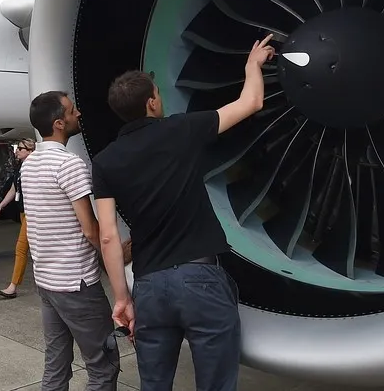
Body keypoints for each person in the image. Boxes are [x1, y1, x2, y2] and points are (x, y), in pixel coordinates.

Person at [93, 35, 276, 391]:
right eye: (158, 93)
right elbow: (251, 102)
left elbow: (108, 236)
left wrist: (122, 298)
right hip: (200, 278)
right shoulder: (181, 129)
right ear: (151, 103)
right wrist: (252, 65)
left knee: (154, 384)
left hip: (149, 285)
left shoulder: (104, 162)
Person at [22, 90, 119, 391]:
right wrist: (116, 256)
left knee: (56, 363)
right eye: (72, 110)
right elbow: (90, 229)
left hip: (47, 281)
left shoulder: (29, 164)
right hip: (77, 283)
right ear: (59, 123)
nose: (78, 113)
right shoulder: (69, 164)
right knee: (103, 367)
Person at [0, 139, 34, 299]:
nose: (17, 151)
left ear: (30, 151)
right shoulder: (21, 168)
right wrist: (1, 205)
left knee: (21, 248)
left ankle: (13, 286)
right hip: (23, 212)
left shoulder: (34, 168)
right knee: (32, 249)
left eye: (20, 148)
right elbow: (14, 189)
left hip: (32, 213)